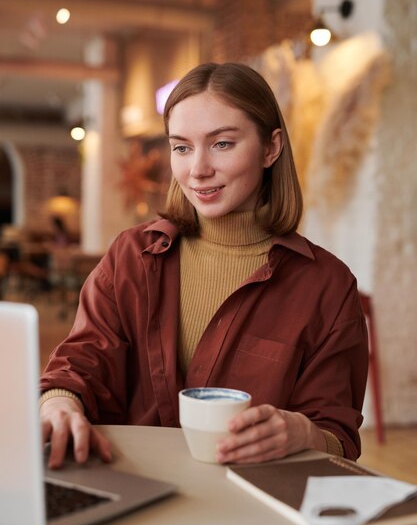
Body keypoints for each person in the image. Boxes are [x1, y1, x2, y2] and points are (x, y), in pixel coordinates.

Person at [40, 62, 368, 469]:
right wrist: (59, 405)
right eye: (181, 147)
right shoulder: (131, 258)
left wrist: (303, 433)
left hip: (251, 509)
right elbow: (80, 367)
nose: (197, 170)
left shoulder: (328, 286)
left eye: (222, 144)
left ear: (271, 147)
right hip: (132, 486)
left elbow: (338, 433)